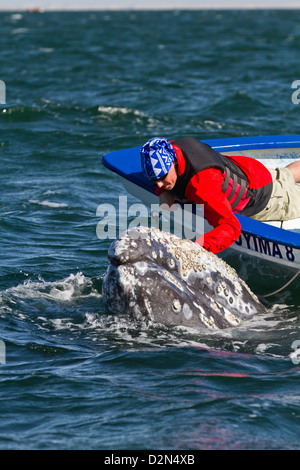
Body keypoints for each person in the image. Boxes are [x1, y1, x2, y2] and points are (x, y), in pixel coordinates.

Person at [140, 136, 300, 254]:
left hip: (267, 198)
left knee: (288, 188)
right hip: (252, 171)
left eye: (162, 178)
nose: (159, 184)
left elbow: (231, 227)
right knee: (286, 174)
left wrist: (193, 249)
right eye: (154, 180)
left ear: (173, 163)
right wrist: (163, 191)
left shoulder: (202, 185)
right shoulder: (173, 147)